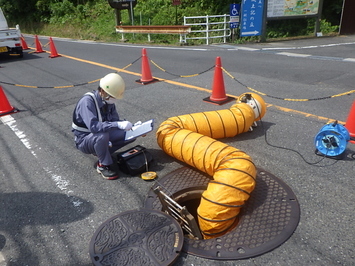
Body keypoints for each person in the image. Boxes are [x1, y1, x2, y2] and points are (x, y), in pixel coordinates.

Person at [72, 73, 136, 180]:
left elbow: (115, 122)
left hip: (101, 134)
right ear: (102, 91)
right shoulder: (87, 102)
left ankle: (101, 151)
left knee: (131, 134)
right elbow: (94, 127)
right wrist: (118, 124)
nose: (114, 99)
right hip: (84, 139)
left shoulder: (108, 101)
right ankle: (102, 165)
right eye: (112, 96)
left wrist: (134, 127)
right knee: (102, 135)